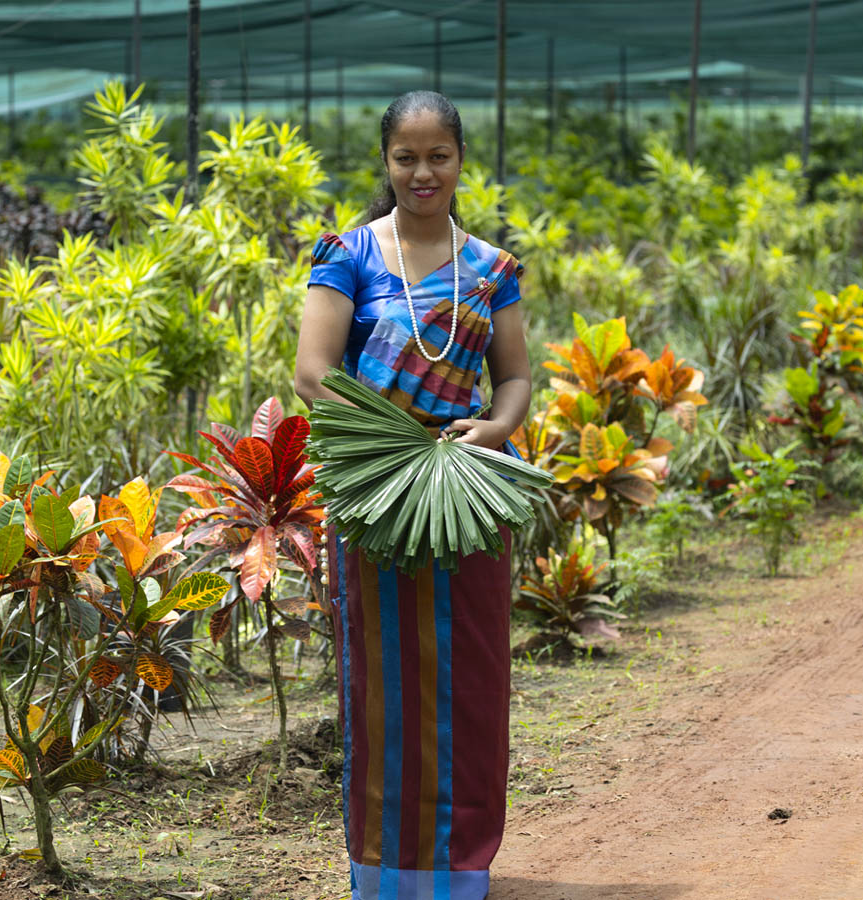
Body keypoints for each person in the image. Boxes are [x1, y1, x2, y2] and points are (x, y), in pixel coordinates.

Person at [294, 90, 531, 900]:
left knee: (472, 676)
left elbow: (516, 378)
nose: (422, 172)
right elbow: (313, 372)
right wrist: (389, 445)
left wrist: (494, 432)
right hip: (376, 492)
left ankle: (465, 869)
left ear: (461, 161)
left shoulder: (492, 269)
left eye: (439, 156)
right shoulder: (350, 255)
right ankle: (385, 872)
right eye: (407, 157)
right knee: (382, 678)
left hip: (467, 493)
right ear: (386, 162)